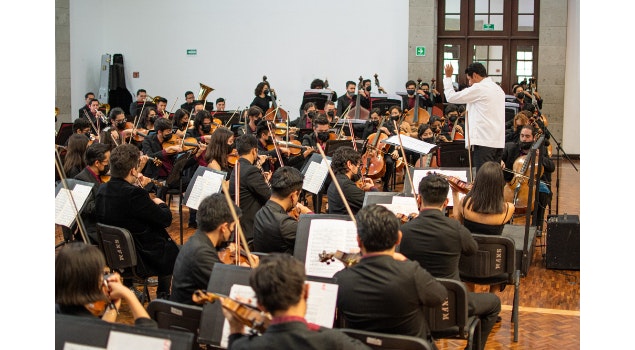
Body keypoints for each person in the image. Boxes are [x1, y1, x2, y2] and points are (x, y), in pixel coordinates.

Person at [399, 174, 502, 350]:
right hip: (452, 306)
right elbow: (472, 250)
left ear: (419, 198)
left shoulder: (404, 231)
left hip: (415, 305)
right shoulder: (456, 229)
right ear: (446, 202)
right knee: (494, 303)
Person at [334, 205, 447, 344]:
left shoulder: (340, 280)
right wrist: (405, 261)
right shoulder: (411, 273)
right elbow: (440, 296)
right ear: (398, 238)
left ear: (358, 241)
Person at [223, 253, 371, 350]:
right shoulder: (335, 342)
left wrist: (236, 329)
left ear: (261, 305)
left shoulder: (242, 347)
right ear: (306, 292)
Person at [95, 143, 179, 300]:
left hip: (114, 253)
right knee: (172, 249)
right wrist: (160, 202)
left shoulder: (102, 190)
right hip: (139, 257)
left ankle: (129, 285)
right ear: (133, 170)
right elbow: (165, 220)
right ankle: (163, 294)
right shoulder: (135, 195)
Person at [170, 193, 257, 305]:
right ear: (224, 227)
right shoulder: (201, 253)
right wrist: (249, 272)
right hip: (193, 317)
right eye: (232, 227)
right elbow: (228, 290)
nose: (232, 231)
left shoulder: (198, 239)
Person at [55, 242, 157, 327]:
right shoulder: (90, 329)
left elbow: (103, 329)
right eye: (102, 274)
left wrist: (113, 305)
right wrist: (128, 294)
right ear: (90, 283)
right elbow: (152, 338)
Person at [443, 62, 506, 172]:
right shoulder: (498, 89)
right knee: (494, 179)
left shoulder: (480, 88)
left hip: (483, 141)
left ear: (475, 75)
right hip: (497, 141)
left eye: (469, 79)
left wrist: (448, 77)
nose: (469, 83)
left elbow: (451, 97)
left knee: (483, 179)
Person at [501, 124, 555, 231]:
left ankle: (537, 226)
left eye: (527, 136)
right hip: (512, 183)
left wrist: (540, 158)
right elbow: (498, 158)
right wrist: (500, 161)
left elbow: (551, 167)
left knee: (543, 191)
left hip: (531, 185)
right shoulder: (510, 147)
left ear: (534, 138)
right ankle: (505, 223)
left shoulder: (541, 150)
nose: (524, 139)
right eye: (522, 136)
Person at [253, 167, 313, 254]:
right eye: (298, 195)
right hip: (284, 266)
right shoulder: (286, 225)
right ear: (293, 196)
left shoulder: (260, 213)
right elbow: (316, 234)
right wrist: (307, 212)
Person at [229, 134, 272, 249]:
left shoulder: (237, 166)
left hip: (240, 224)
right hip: (250, 229)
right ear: (254, 151)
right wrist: (267, 183)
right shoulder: (250, 171)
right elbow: (270, 197)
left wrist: (262, 180)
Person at [452, 161, 515, 235]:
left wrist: (455, 192)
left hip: (469, 245)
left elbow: (458, 220)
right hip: (493, 246)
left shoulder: (465, 202)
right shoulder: (509, 208)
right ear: (500, 184)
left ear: (478, 180)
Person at [69, 142, 111, 244]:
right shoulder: (81, 180)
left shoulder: (101, 174)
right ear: (97, 163)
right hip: (94, 229)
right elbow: (89, 208)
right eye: (107, 162)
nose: (108, 165)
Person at [327, 146, 376, 215]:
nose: (358, 168)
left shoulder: (336, 180)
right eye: (358, 165)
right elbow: (375, 203)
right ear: (349, 164)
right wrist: (372, 188)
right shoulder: (346, 186)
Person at [361, 108, 398, 191]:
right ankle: (362, 182)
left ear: (380, 117)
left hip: (385, 151)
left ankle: (385, 185)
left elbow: (396, 138)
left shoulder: (388, 125)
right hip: (370, 150)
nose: (373, 120)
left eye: (376, 118)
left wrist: (388, 133)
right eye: (372, 118)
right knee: (360, 160)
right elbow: (364, 139)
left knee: (389, 162)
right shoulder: (369, 125)